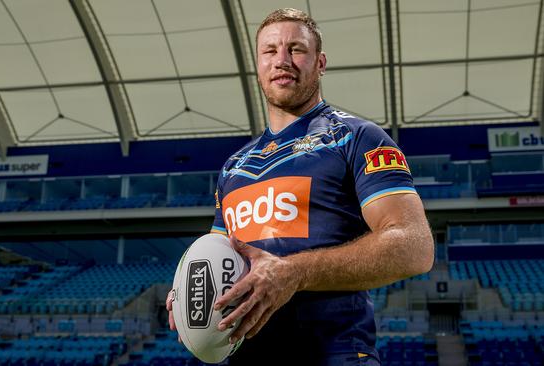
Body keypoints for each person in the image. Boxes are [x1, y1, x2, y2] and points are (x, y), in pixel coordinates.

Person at [167, 8, 433, 365]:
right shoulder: (234, 167)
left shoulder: (357, 138)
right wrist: (185, 292)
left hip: (337, 354)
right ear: (257, 65)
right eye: (270, 51)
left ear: (320, 62)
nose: (282, 60)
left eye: (296, 49)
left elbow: (415, 247)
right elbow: (216, 254)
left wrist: (293, 273)